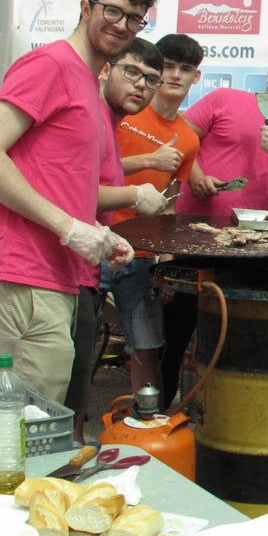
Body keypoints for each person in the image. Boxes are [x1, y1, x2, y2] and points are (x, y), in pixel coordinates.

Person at [0, 0, 153, 401]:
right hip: (22, 274)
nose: (122, 25)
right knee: (20, 436)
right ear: (86, 7)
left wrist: (98, 233)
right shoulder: (51, 63)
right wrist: (68, 229)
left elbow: (58, 181)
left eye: (135, 19)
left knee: (38, 432)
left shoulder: (89, 82)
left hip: (56, 279)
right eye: (113, 11)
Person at [64, 38, 171, 442]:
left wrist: (108, 235)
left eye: (150, 79)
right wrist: (135, 194)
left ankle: (83, 441)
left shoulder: (108, 122)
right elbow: (76, 188)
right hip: (56, 268)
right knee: (67, 364)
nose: (142, 85)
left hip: (99, 255)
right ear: (106, 70)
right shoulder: (90, 116)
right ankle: (71, 443)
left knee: (96, 356)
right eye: (132, 72)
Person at [104, 34, 202, 402]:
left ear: (196, 76)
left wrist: (166, 261)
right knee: (76, 338)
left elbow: (170, 204)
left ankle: (146, 428)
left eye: (185, 69)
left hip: (142, 254)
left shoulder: (188, 139)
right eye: (168, 67)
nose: (175, 76)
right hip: (95, 239)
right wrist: (148, 161)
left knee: (147, 346)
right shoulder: (126, 111)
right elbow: (91, 170)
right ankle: (75, 429)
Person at [177, 47, 268, 222]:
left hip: (253, 237)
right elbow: (178, 136)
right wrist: (195, 176)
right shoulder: (225, 99)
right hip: (192, 225)